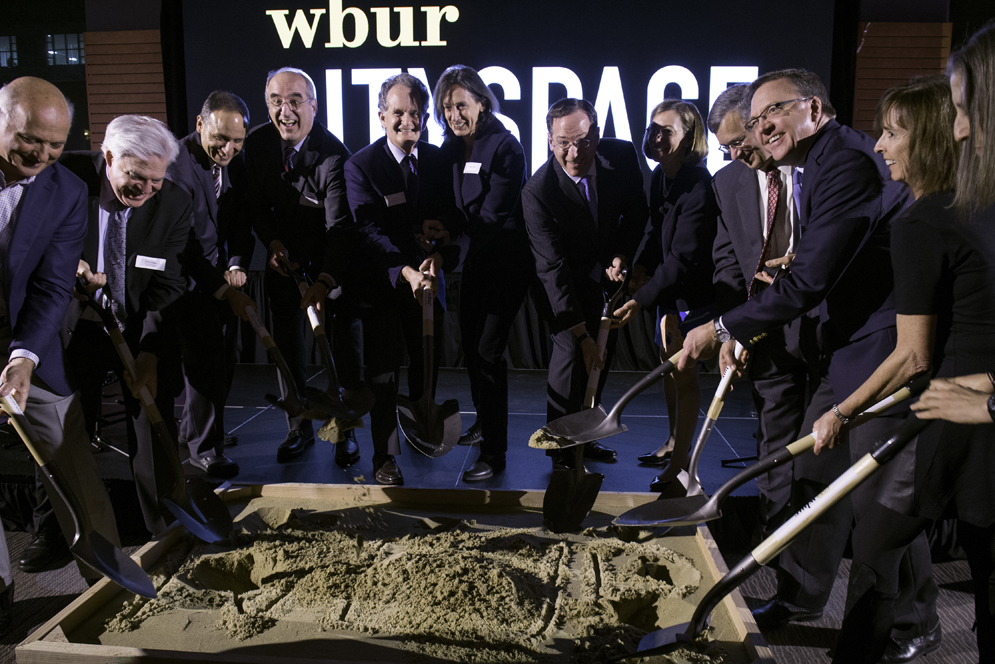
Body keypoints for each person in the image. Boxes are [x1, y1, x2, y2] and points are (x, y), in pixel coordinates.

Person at [678, 70, 940, 647]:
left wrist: (719, 326)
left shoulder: (842, 162)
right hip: (843, 345)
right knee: (814, 474)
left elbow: (814, 280)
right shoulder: (814, 163)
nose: (760, 127)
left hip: (881, 350)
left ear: (813, 108)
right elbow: (824, 256)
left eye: (771, 112)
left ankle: (917, 618)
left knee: (882, 495)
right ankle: (801, 595)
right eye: (753, 121)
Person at [828, 24, 995, 661]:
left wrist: (842, 412)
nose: (880, 146)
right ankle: (916, 628)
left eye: (893, 132)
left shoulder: (927, 218)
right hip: (962, 410)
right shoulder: (960, 208)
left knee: (877, 546)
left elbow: (913, 356)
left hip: (954, 422)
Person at [0, 76, 122, 601]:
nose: (45, 155)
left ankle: (112, 582)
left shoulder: (67, 191)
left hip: (33, 350)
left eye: (56, 144)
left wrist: (23, 357)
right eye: (32, 140)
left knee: (72, 462)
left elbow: (52, 285)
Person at [316, 72, 458, 485]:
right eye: (398, 112)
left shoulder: (436, 160)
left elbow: (451, 216)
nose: (407, 120)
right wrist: (407, 271)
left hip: (429, 288)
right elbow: (367, 232)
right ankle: (385, 457)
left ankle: (418, 427)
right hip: (382, 288)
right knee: (383, 374)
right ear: (381, 116)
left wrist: (441, 247)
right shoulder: (360, 165)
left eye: (415, 112)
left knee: (425, 365)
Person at [61, 114, 191, 536]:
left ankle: (164, 526)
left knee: (151, 419)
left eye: (156, 180)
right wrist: (66, 271)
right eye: (137, 177)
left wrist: (150, 352)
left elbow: (168, 287)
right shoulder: (65, 180)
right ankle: (58, 528)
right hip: (71, 324)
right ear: (109, 155)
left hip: (135, 323)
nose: (146, 190)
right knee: (66, 431)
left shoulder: (172, 202)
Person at [707, 84, 816, 537]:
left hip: (827, 323)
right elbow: (728, 260)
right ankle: (774, 541)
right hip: (765, 328)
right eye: (724, 147)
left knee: (820, 446)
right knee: (773, 441)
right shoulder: (727, 181)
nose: (734, 154)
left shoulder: (811, 168)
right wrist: (734, 327)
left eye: (738, 142)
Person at [522, 98, 648, 467]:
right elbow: (551, 269)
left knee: (600, 359)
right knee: (571, 357)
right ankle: (560, 449)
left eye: (582, 141)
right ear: (550, 141)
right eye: (563, 143)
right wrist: (580, 334)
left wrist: (622, 255)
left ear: (596, 135)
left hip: (607, 280)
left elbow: (637, 213)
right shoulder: (538, 191)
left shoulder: (620, 157)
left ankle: (587, 437)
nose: (574, 152)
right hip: (563, 287)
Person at [244, 67, 354, 463]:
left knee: (336, 349)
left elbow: (340, 228)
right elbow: (256, 205)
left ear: (314, 105)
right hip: (281, 264)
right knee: (287, 347)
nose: (285, 110)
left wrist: (324, 281)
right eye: (276, 101)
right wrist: (271, 242)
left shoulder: (335, 155)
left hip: (328, 263)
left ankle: (345, 433)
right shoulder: (256, 144)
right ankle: (298, 427)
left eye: (294, 100)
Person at [611, 99, 719, 491]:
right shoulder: (660, 177)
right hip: (670, 292)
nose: (656, 138)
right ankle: (673, 442)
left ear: (689, 138)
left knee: (684, 372)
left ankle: (681, 465)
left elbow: (684, 259)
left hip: (695, 294)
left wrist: (639, 299)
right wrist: (640, 267)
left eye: (667, 132)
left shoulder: (699, 186)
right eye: (652, 129)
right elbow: (659, 237)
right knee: (669, 367)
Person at [433, 65, 532, 482]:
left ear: (482, 102)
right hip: (473, 260)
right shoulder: (452, 147)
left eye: (461, 105)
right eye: (446, 107)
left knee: (489, 352)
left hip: (507, 263)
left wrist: (450, 248)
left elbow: (491, 216)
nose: (453, 114)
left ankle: (495, 452)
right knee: (472, 349)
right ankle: (483, 425)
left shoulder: (505, 147)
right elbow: (449, 207)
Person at [166, 90, 256, 478]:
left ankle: (205, 428)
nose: (228, 149)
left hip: (220, 276)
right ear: (201, 124)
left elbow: (240, 224)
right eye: (220, 138)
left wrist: (236, 266)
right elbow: (183, 244)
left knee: (225, 358)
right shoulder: (176, 166)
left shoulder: (238, 161)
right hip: (186, 280)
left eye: (237, 141)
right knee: (203, 364)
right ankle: (204, 451)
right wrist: (220, 287)